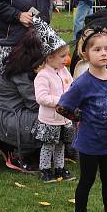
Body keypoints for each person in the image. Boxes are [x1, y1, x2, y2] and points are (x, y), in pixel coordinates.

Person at [56, 27, 107, 212]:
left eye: (106, 49)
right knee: (87, 179)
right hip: (89, 143)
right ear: (85, 53)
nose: (103, 53)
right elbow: (62, 106)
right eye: (97, 50)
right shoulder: (82, 83)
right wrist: (78, 118)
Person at [0, 28, 43, 173]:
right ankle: (14, 151)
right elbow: (34, 103)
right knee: (46, 118)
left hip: (6, 114)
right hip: (5, 118)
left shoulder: (21, 64)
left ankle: (28, 149)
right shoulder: (22, 72)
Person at [33, 35, 74, 183]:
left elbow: (71, 85)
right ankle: (44, 169)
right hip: (50, 119)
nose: (66, 59)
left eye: (67, 55)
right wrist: (62, 101)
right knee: (49, 145)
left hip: (64, 117)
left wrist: (73, 95)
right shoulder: (43, 76)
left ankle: (59, 168)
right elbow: (41, 97)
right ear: (50, 58)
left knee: (61, 144)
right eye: (62, 56)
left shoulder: (64, 71)